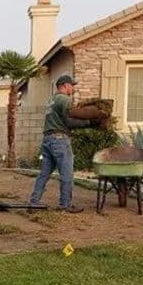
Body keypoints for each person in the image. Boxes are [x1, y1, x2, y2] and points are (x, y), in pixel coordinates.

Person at [29, 74, 93, 213]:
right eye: (71, 85)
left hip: (47, 140)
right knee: (67, 174)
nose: (73, 88)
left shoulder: (51, 100)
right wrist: (89, 123)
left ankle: (33, 203)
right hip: (59, 140)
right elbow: (69, 121)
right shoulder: (64, 99)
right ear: (64, 85)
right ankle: (65, 205)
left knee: (44, 174)